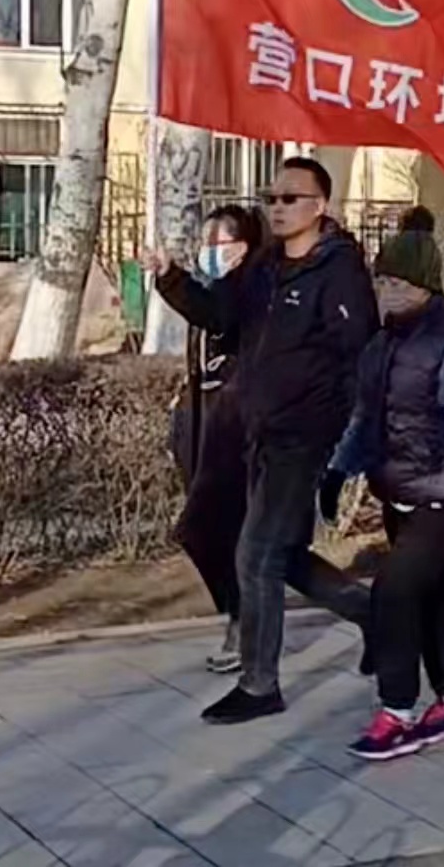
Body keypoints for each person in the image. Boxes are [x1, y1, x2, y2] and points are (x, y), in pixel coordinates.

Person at [143, 156, 377, 725]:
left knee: (255, 554)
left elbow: (359, 358)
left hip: (303, 438)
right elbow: (218, 315)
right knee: (283, 556)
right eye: (271, 198)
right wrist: (171, 277)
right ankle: (378, 616)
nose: (276, 207)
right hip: (259, 432)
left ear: (319, 207)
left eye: (290, 198)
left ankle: (259, 683)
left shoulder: (339, 273)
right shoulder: (263, 269)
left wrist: (344, 439)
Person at [322, 229, 444, 762]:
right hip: (400, 491)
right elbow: (368, 420)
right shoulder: (382, 346)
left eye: (400, 282)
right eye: (382, 281)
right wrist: (339, 471)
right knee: (431, 597)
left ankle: (397, 711)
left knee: (394, 593)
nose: (388, 291)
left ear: (426, 286)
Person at [169, 203, 262, 677]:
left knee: (207, 530)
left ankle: (244, 622)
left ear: (241, 248)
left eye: (214, 243)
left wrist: (169, 278)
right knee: (218, 534)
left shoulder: (244, 291)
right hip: (208, 429)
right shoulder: (221, 289)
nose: (205, 252)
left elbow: (215, 316)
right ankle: (243, 619)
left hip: (236, 435)